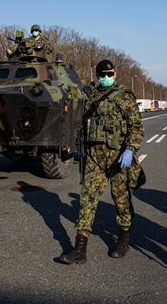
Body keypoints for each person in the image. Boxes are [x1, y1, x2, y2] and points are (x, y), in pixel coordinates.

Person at [60, 59, 144, 264]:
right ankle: (80, 248)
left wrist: (131, 150)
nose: (106, 78)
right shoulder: (90, 96)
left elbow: (137, 127)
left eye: (109, 74)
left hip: (117, 159)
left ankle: (124, 237)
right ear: (97, 76)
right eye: (102, 75)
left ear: (115, 74)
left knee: (121, 200)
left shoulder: (124, 96)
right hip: (94, 158)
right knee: (87, 200)